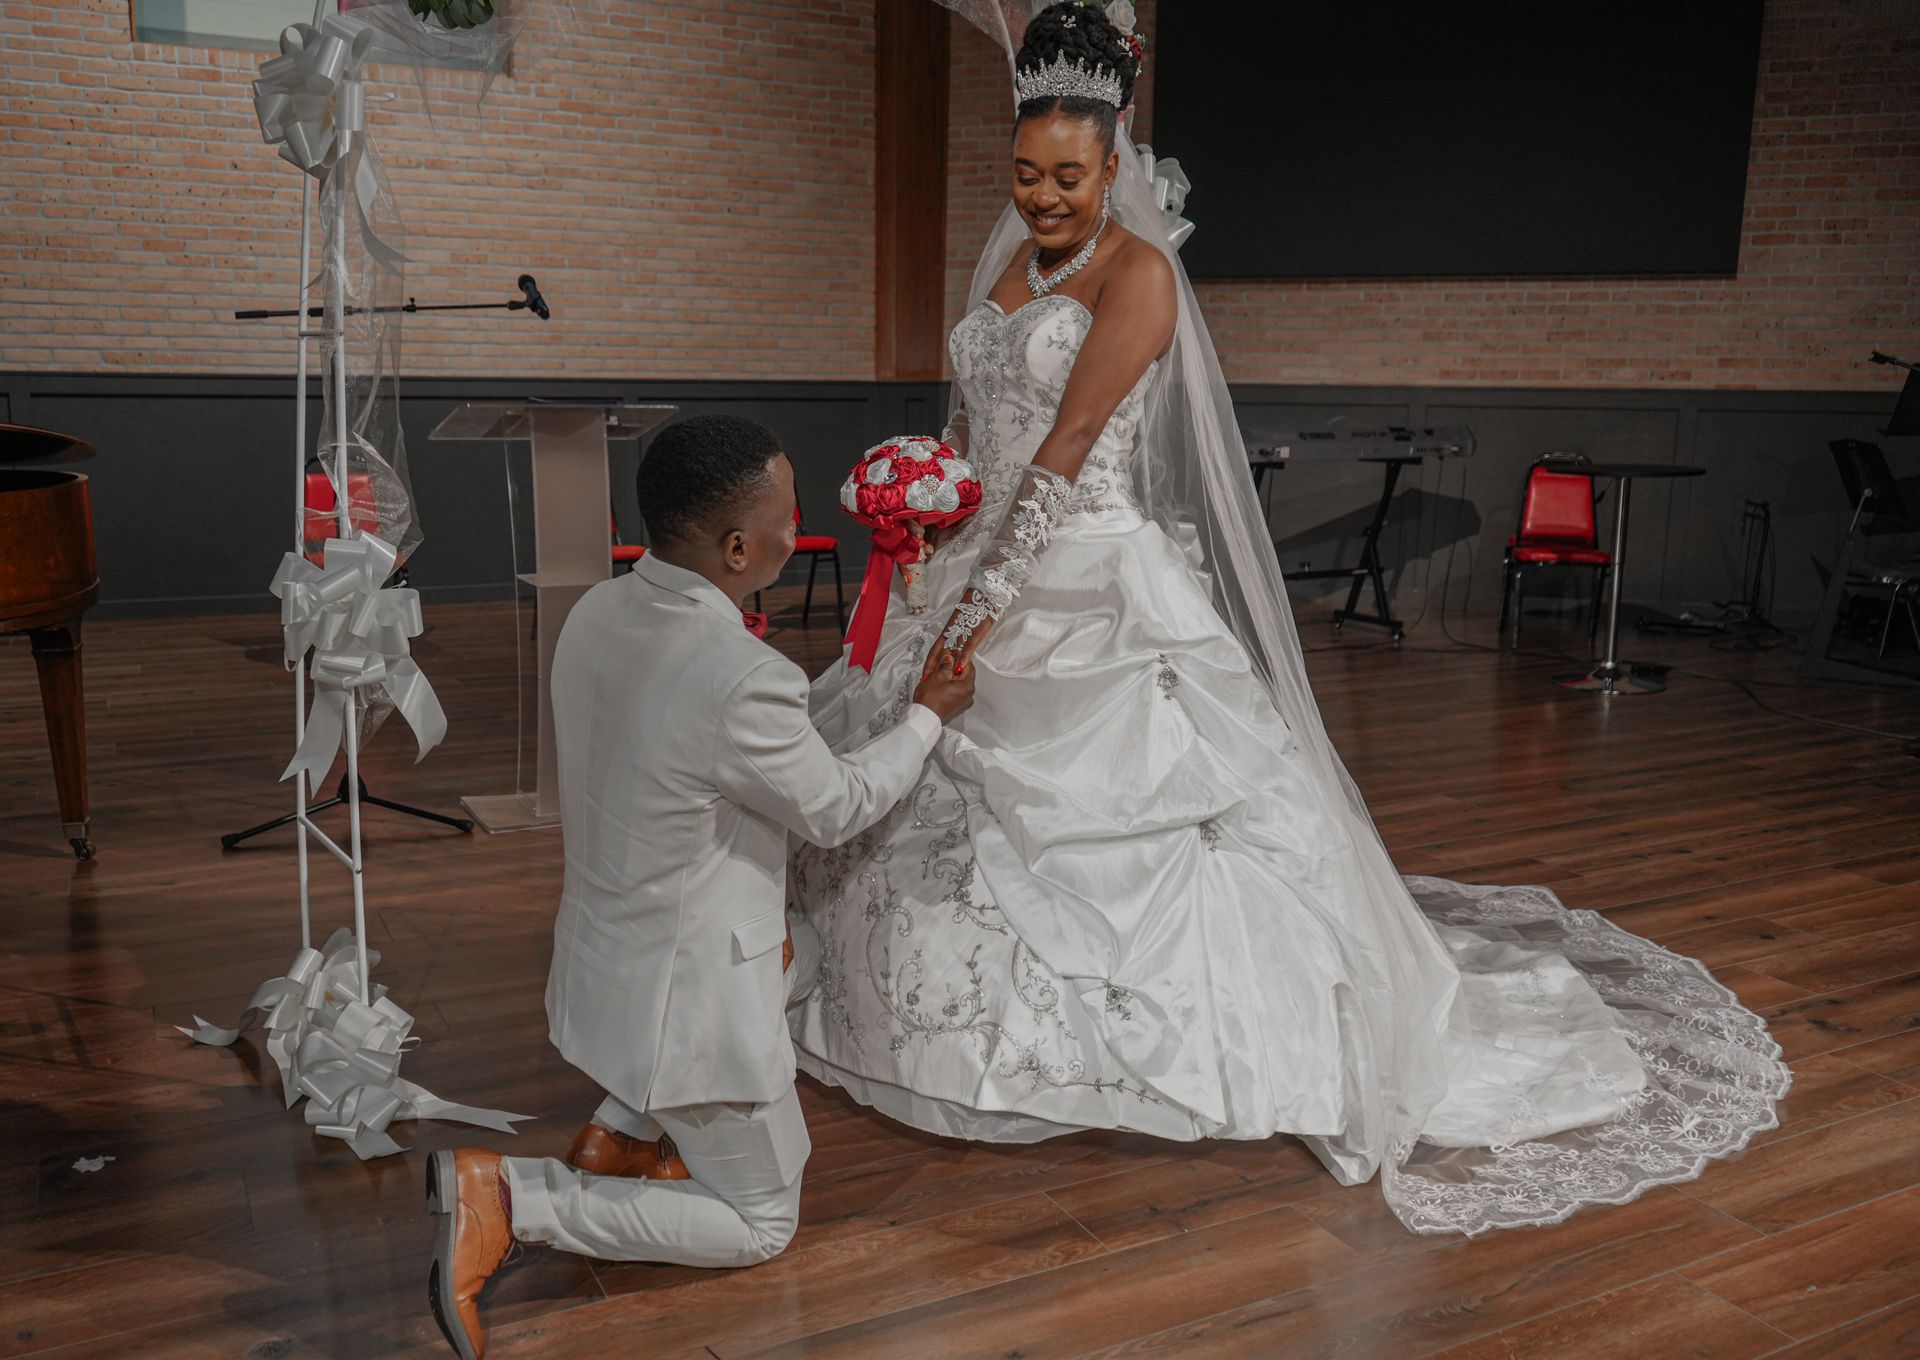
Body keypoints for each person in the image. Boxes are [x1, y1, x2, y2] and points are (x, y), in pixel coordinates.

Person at [788, 2, 1789, 1238]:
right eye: (1023, 175)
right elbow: (977, 425)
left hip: (1085, 580)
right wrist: (933, 515)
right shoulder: (1009, 267)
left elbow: (1066, 448)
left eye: (1066, 176)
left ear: (1116, 164)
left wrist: (983, 610)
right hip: (982, 552)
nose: (1041, 197)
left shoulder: (1142, 277)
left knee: (1138, 817)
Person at [425, 415, 975, 1360]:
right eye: (787, 513)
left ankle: (622, 1131)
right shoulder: (740, 673)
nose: (798, 524)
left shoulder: (597, 609)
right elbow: (837, 807)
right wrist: (925, 715)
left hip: (606, 965)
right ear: (735, 549)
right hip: (690, 1005)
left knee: (800, 949)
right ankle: (517, 1199)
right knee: (761, 1223)